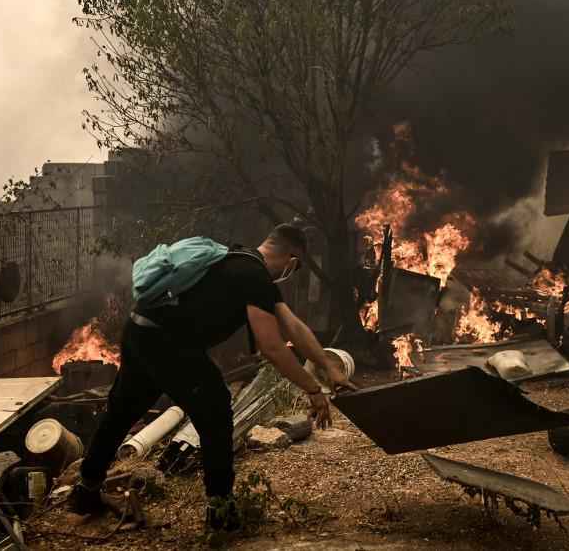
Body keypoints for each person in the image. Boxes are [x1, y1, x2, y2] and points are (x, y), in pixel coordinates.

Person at [68, 224, 357, 530]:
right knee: (216, 409)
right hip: (169, 344)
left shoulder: (239, 259)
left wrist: (329, 366)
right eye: (294, 269)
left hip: (140, 331)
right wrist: (313, 388)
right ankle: (220, 510)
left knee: (121, 412)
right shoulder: (254, 277)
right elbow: (272, 347)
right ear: (292, 258)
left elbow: (293, 327)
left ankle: (86, 490)